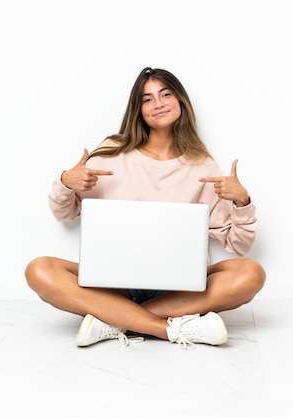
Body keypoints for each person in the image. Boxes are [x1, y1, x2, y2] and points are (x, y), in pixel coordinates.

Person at [25, 67, 266, 349]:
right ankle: (169, 329)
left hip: (181, 287)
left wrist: (242, 202)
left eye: (166, 94)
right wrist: (66, 181)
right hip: (114, 283)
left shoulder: (201, 165)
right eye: (147, 99)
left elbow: (239, 245)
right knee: (39, 269)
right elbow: (63, 213)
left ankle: (112, 320)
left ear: (180, 101)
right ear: (138, 110)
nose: (159, 104)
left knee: (251, 274)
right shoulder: (111, 152)